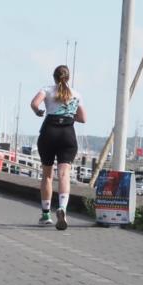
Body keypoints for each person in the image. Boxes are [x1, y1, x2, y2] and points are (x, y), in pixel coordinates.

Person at [30, 65, 86, 230]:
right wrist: (69, 114)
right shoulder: (76, 94)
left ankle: (46, 215)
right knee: (64, 174)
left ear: (54, 77)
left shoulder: (47, 90)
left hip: (49, 132)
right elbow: (83, 118)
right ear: (68, 78)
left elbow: (34, 103)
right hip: (67, 133)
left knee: (47, 175)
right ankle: (62, 208)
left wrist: (37, 111)